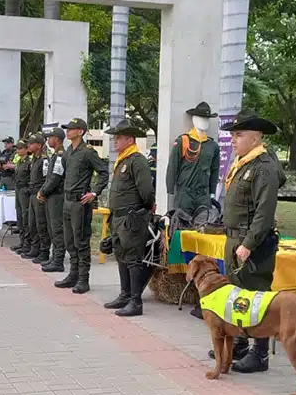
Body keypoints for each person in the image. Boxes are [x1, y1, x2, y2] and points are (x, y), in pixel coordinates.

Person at [212, 109, 285, 373]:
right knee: (237, 293)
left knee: (256, 296)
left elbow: (264, 213)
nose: (233, 140)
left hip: (251, 241)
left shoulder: (263, 167)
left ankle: (260, 353)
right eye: (232, 135)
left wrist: (249, 244)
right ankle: (240, 342)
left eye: (238, 135)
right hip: (235, 237)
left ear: (255, 138)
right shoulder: (244, 163)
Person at [102, 119, 155, 317]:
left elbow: (146, 191)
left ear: (130, 140)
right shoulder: (123, 160)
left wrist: (144, 209)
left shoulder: (137, 160)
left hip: (131, 218)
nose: (115, 141)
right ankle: (125, 295)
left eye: (119, 138)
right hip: (119, 218)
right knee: (121, 256)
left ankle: (135, 301)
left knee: (133, 259)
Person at [56, 118, 109, 294]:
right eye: (67, 128)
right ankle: (73, 275)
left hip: (80, 202)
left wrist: (94, 193)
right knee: (69, 240)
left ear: (80, 131)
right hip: (67, 201)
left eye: (71, 129)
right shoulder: (68, 152)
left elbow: (103, 173)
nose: (68, 131)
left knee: (81, 241)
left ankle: (83, 279)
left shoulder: (88, 152)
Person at [166, 102, 220, 213]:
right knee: (182, 221)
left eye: (207, 119)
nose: (204, 122)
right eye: (201, 118)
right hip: (185, 193)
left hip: (203, 195)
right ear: (194, 119)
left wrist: (212, 192)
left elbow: (215, 170)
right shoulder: (183, 141)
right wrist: (170, 189)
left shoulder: (212, 146)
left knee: (204, 221)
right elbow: (173, 166)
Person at [39, 128, 66, 273]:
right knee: (51, 228)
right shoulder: (55, 155)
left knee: (57, 229)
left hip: (57, 196)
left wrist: (43, 191)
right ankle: (54, 256)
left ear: (57, 139)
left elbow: (56, 177)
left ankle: (58, 260)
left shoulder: (60, 156)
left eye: (50, 137)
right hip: (51, 196)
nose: (48, 140)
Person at [25, 133, 51, 264]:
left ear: (39, 145)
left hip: (39, 195)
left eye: (31, 143)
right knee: (32, 223)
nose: (29, 145)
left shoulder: (44, 160)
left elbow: (47, 179)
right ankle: (34, 248)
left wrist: (43, 193)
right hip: (32, 193)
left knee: (41, 224)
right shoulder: (34, 159)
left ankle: (44, 251)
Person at [10, 139, 33, 254]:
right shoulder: (20, 162)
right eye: (17, 148)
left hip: (24, 191)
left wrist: (27, 190)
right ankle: (22, 241)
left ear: (26, 149)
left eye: (20, 148)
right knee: (19, 216)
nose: (18, 151)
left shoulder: (29, 162)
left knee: (25, 216)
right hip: (18, 190)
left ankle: (27, 243)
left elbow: (31, 178)